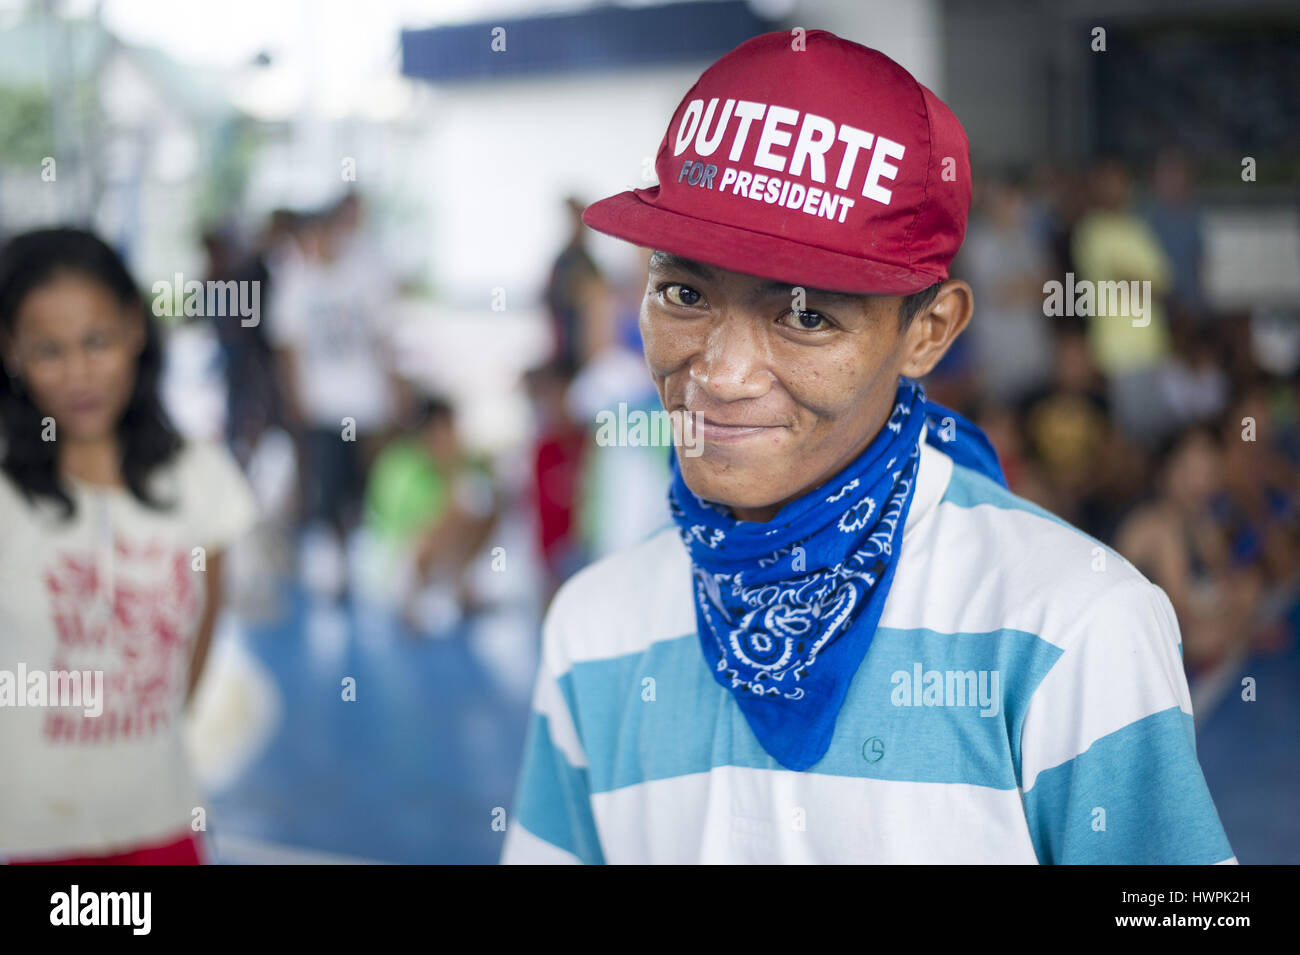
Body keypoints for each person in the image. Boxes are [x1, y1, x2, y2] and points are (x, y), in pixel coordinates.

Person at [501, 30, 1235, 864]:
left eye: (806, 315)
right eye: (683, 291)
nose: (723, 372)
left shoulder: (1070, 629)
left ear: (929, 332)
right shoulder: (595, 628)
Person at [0, 228, 257, 864]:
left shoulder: (201, 480)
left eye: (97, 341)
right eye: (47, 350)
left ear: (136, 330)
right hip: (24, 833)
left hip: (161, 819)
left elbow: (195, 650)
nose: (79, 373)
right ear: (11, 353)